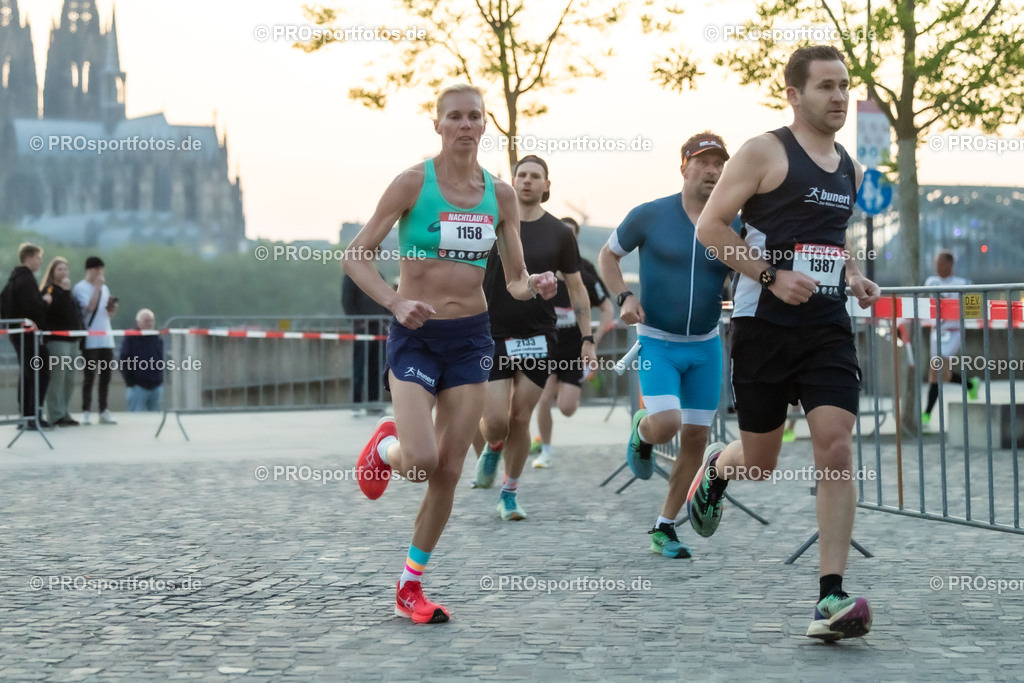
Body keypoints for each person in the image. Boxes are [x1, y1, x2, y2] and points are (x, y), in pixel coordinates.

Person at [346, 84, 557, 624]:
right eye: (455, 117)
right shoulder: (413, 183)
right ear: (437, 124)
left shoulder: (501, 195)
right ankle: (387, 448)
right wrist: (395, 302)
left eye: (474, 117)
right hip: (417, 337)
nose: (466, 125)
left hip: (471, 340)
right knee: (419, 462)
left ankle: (409, 587)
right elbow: (357, 257)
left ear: (486, 125)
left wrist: (539, 284)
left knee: (447, 471)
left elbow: (512, 282)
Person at [693, 45, 880, 640]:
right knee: (762, 461)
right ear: (794, 95)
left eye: (845, 85)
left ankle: (830, 596)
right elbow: (711, 227)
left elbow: (830, 238)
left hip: (826, 325)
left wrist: (850, 276)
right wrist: (771, 276)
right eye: (826, 86)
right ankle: (718, 470)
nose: (839, 97)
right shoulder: (763, 151)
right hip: (764, 326)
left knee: (835, 445)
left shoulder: (848, 165)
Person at [597, 132, 738, 559]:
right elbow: (607, 256)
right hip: (657, 341)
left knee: (696, 436)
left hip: (706, 346)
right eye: (703, 162)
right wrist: (624, 297)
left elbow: (746, 267)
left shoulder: (733, 221)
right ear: (684, 167)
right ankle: (644, 431)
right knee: (667, 425)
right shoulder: (651, 215)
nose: (713, 171)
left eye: (719, 164)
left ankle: (664, 526)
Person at [474, 155, 596, 521]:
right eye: (521, 175)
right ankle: (493, 445)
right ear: (512, 182)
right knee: (496, 421)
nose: (527, 181)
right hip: (491, 332)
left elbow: (577, 290)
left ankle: (509, 493)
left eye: (535, 177)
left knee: (520, 417)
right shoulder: (490, 224)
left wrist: (587, 338)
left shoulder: (559, 233)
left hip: (539, 336)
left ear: (546, 186)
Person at [530, 216, 614, 469]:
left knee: (567, 407)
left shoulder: (584, 269)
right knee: (544, 399)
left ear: (575, 238)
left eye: (570, 234)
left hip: (573, 346)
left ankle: (558, 388)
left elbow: (608, 309)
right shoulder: (541, 266)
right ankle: (545, 450)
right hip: (546, 343)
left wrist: (593, 341)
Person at [922, 250, 978, 426]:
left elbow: (974, 308)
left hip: (953, 332)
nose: (937, 267)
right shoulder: (930, 282)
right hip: (936, 333)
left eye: (941, 263)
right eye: (936, 263)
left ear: (950, 264)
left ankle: (926, 415)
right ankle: (970, 384)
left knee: (936, 371)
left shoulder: (963, 284)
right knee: (942, 374)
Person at [3, 243, 51, 430]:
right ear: (29, 257)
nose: (40, 261)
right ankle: (33, 415)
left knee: (28, 374)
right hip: (29, 336)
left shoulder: (14, 279)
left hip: (19, 336)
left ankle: (27, 414)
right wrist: (44, 301)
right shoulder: (26, 280)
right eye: (38, 257)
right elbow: (33, 307)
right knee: (40, 374)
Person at [73, 256, 118, 425]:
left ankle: (103, 409)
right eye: (97, 269)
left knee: (106, 376)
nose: (99, 273)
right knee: (89, 376)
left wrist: (111, 307)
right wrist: (97, 289)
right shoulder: (81, 288)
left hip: (106, 337)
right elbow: (89, 308)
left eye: (101, 269)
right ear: (90, 270)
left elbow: (106, 313)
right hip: (91, 338)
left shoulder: (105, 288)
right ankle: (86, 410)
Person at [41, 257, 84, 426]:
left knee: (69, 379)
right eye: (59, 269)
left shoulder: (69, 291)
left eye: (65, 269)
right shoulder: (50, 290)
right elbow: (57, 311)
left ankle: (64, 411)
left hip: (73, 340)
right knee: (57, 378)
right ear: (52, 272)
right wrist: (65, 292)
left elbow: (73, 312)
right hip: (58, 340)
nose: (63, 272)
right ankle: (55, 413)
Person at [342, 271, 390, 411]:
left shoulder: (379, 275)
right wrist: (357, 321)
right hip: (362, 328)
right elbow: (347, 300)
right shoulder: (351, 276)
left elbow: (387, 298)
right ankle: (356, 404)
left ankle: (373, 403)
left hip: (378, 326)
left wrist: (387, 318)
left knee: (376, 367)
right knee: (359, 366)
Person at [120, 308, 164, 412]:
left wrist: (160, 379)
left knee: (155, 420)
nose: (149, 324)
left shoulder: (156, 337)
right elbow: (124, 359)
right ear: (138, 322)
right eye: (146, 321)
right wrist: (130, 382)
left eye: (151, 321)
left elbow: (161, 357)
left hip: (156, 386)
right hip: (138, 387)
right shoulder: (131, 337)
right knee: (136, 418)